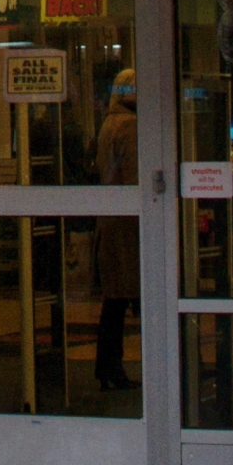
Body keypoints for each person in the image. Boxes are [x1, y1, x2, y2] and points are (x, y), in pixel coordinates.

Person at [93, 68, 139, 393]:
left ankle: (107, 367)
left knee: (114, 301)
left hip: (110, 222)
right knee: (128, 298)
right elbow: (137, 178)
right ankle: (115, 368)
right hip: (128, 226)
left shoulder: (108, 124)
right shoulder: (131, 127)